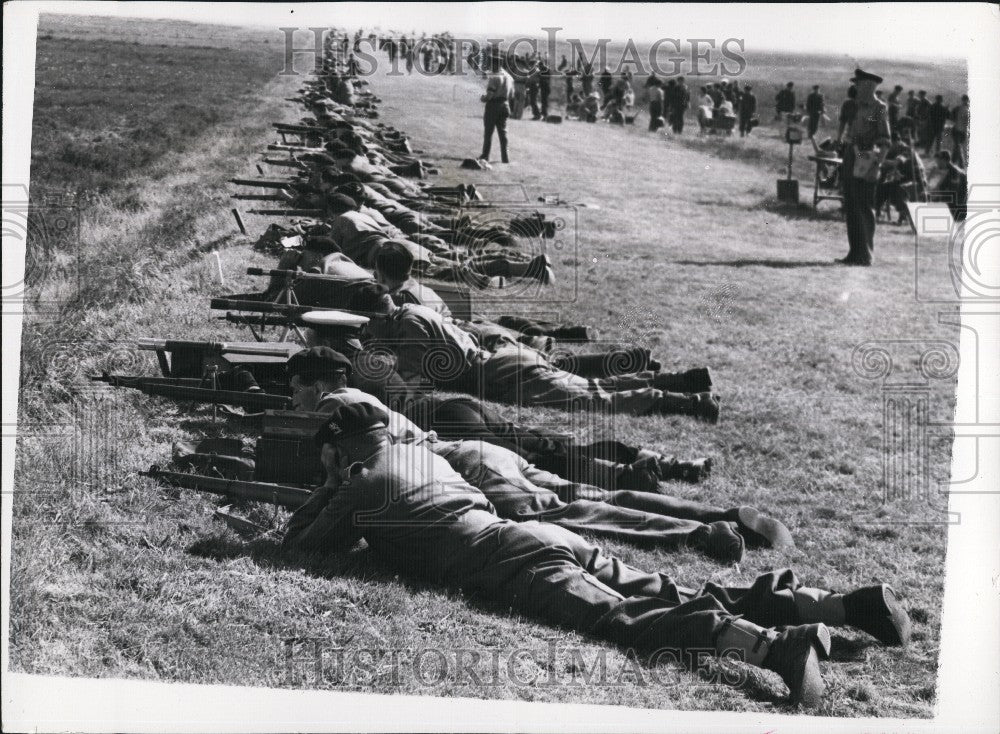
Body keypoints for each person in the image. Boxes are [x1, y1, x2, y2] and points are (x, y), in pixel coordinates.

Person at [285, 402, 913, 708]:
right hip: (545, 540)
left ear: (340, 450)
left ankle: (775, 646)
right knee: (657, 589)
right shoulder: (422, 455)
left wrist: (331, 486)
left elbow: (303, 548)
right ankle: (820, 605)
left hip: (516, 564)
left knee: (623, 619)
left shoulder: (360, 485)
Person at [349, 284, 721, 420]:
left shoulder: (407, 326)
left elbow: (414, 385)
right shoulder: (411, 313)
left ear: (375, 316)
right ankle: (684, 382)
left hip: (504, 373)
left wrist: (372, 362)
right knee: (588, 387)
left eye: (366, 325)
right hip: (506, 362)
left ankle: (689, 402)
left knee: (594, 400)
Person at [837, 69, 892, 266]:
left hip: (867, 158)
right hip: (852, 155)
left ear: (869, 85)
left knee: (865, 206)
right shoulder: (854, 106)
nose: (855, 88)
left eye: (858, 84)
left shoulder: (879, 108)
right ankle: (854, 253)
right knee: (851, 204)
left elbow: (885, 141)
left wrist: (877, 166)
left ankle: (866, 254)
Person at [479, 52, 513, 163]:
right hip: (505, 105)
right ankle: (505, 158)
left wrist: (484, 98)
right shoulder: (509, 76)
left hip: (494, 106)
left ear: (494, 64)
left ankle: (485, 156)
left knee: (488, 132)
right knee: (503, 133)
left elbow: (490, 95)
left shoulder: (495, 76)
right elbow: (512, 94)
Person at [933, 150, 967, 221]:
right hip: (952, 202)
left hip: (958, 208)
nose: (937, 164)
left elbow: (953, 192)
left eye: (938, 161)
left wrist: (937, 196)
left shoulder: (954, 172)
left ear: (944, 160)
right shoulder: (945, 171)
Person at [951, 94, 970, 165]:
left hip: (957, 130)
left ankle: (953, 161)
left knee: (957, 146)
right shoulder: (968, 109)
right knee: (958, 146)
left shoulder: (958, 108)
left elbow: (951, 117)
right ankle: (960, 163)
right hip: (961, 131)